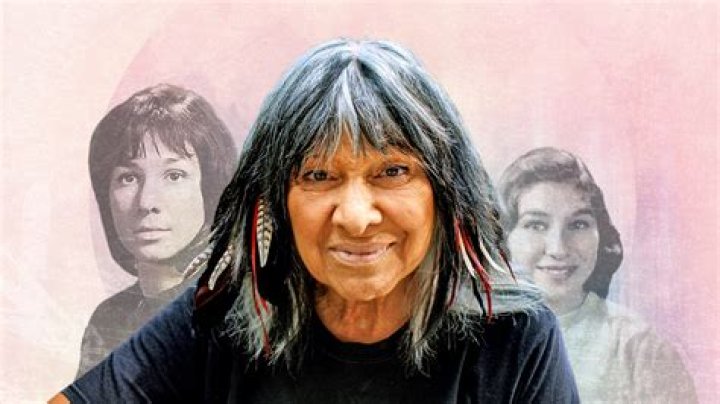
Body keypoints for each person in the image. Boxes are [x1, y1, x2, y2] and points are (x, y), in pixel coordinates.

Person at [52, 39, 578, 403]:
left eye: (392, 171)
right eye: (319, 175)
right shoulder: (223, 315)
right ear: (275, 200)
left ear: (444, 190)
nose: (356, 217)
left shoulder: (514, 338)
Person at [497, 147, 697, 403]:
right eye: (536, 225)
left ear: (600, 234)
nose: (558, 249)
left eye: (578, 224)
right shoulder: (480, 339)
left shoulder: (640, 349)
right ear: (506, 236)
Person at [76, 83, 237, 376]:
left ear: (210, 189)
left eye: (174, 176)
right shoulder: (109, 320)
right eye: (128, 178)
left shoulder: (241, 313)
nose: (147, 202)